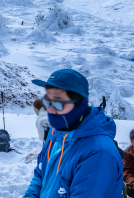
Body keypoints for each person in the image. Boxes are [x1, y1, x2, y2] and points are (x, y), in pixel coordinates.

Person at [23, 69, 123, 198]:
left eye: (58, 102)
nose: (50, 109)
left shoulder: (98, 153)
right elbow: (40, 176)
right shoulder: (56, 133)